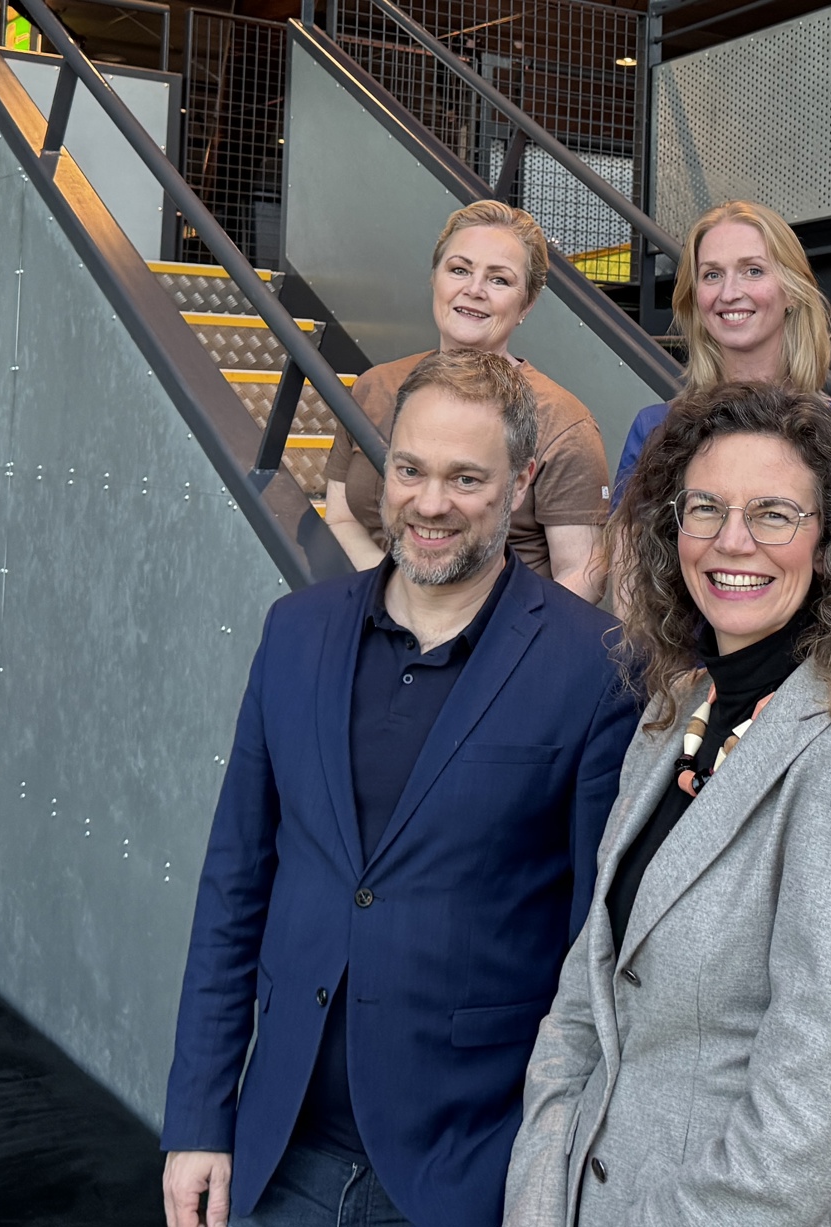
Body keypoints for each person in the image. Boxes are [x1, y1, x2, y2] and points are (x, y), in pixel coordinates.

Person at [160, 351, 639, 1227]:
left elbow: (591, 940)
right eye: (410, 469)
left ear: (522, 481)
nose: (429, 503)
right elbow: (235, 886)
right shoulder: (296, 632)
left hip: (467, 1167)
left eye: (467, 477)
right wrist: (199, 1117)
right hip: (279, 1152)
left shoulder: (595, 664)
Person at [504, 383, 831, 1227]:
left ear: (830, 540)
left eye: (773, 513)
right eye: (704, 508)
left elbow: (806, 1109)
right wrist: (536, 1195)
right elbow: (584, 994)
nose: (731, 541)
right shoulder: (676, 712)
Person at [325, 200, 610, 601]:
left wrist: (496, 642)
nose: (473, 290)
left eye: (499, 280)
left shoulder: (562, 421)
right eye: (459, 270)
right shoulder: (375, 388)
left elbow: (585, 572)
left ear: (526, 304)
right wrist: (396, 600)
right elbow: (339, 516)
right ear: (434, 280)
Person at [609, 201, 831, 505]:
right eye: (712, 275)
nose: (729, 293)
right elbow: (627, 550)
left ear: (793, 291)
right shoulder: (654, 429)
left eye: (753, 271)